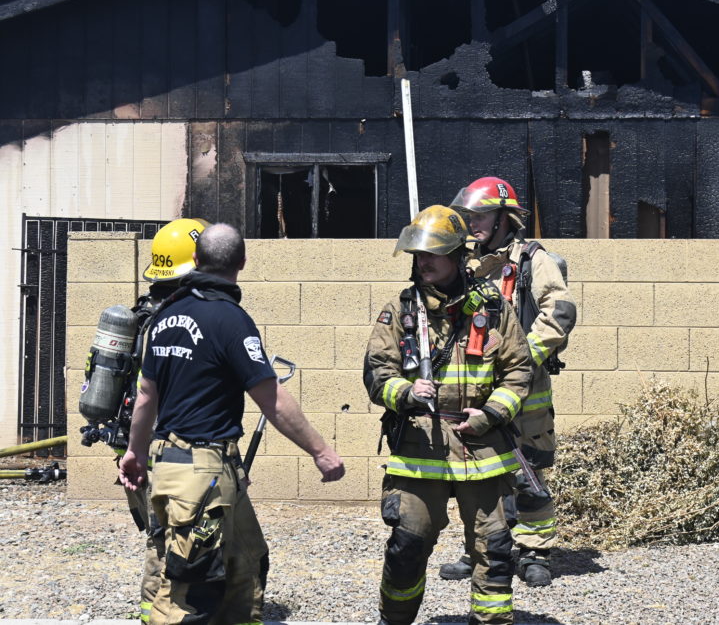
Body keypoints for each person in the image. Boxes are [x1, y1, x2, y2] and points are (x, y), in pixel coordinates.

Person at [119, 223, 345, 625]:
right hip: (201, 476)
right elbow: (271, 398)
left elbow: (146, 396)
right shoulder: (230, 319)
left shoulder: (165, 317)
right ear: (243, 262)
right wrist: (321, 451)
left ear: (196, 260)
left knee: (246, 559)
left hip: (183, 467)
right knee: (190, 595)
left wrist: (135, 452)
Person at [364, 205, 532, 625]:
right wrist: (405, 392)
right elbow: (377, 374)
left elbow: (519, 372)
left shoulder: (494, 309)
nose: (423, 262)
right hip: (421, 449)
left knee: (494, 550)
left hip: (484, 448)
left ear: (458, 255)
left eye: (432, 254)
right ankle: (394, 620)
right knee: (407, 548)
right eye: (418, 255)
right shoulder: (401, 311)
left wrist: (490, 413)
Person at [444, 177, 577, 587]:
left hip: (525, 388)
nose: (472, 224)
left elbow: (560, 312)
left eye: (480, 216)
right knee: (477, 471)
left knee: (529, 469)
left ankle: (535, 552)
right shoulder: (465, 262)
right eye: (469, 216)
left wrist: (521, 357)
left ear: (504, 217)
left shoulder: (533, 259)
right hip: (477, 385)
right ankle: (480, 548)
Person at [83, 217, 208, 623]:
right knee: (169, 540)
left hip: (134, 446)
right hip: (159, 450)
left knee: (165, 537)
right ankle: (160, 614)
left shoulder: (143, 315)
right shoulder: (171, 324)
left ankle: (161, 612)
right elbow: (152, 394)